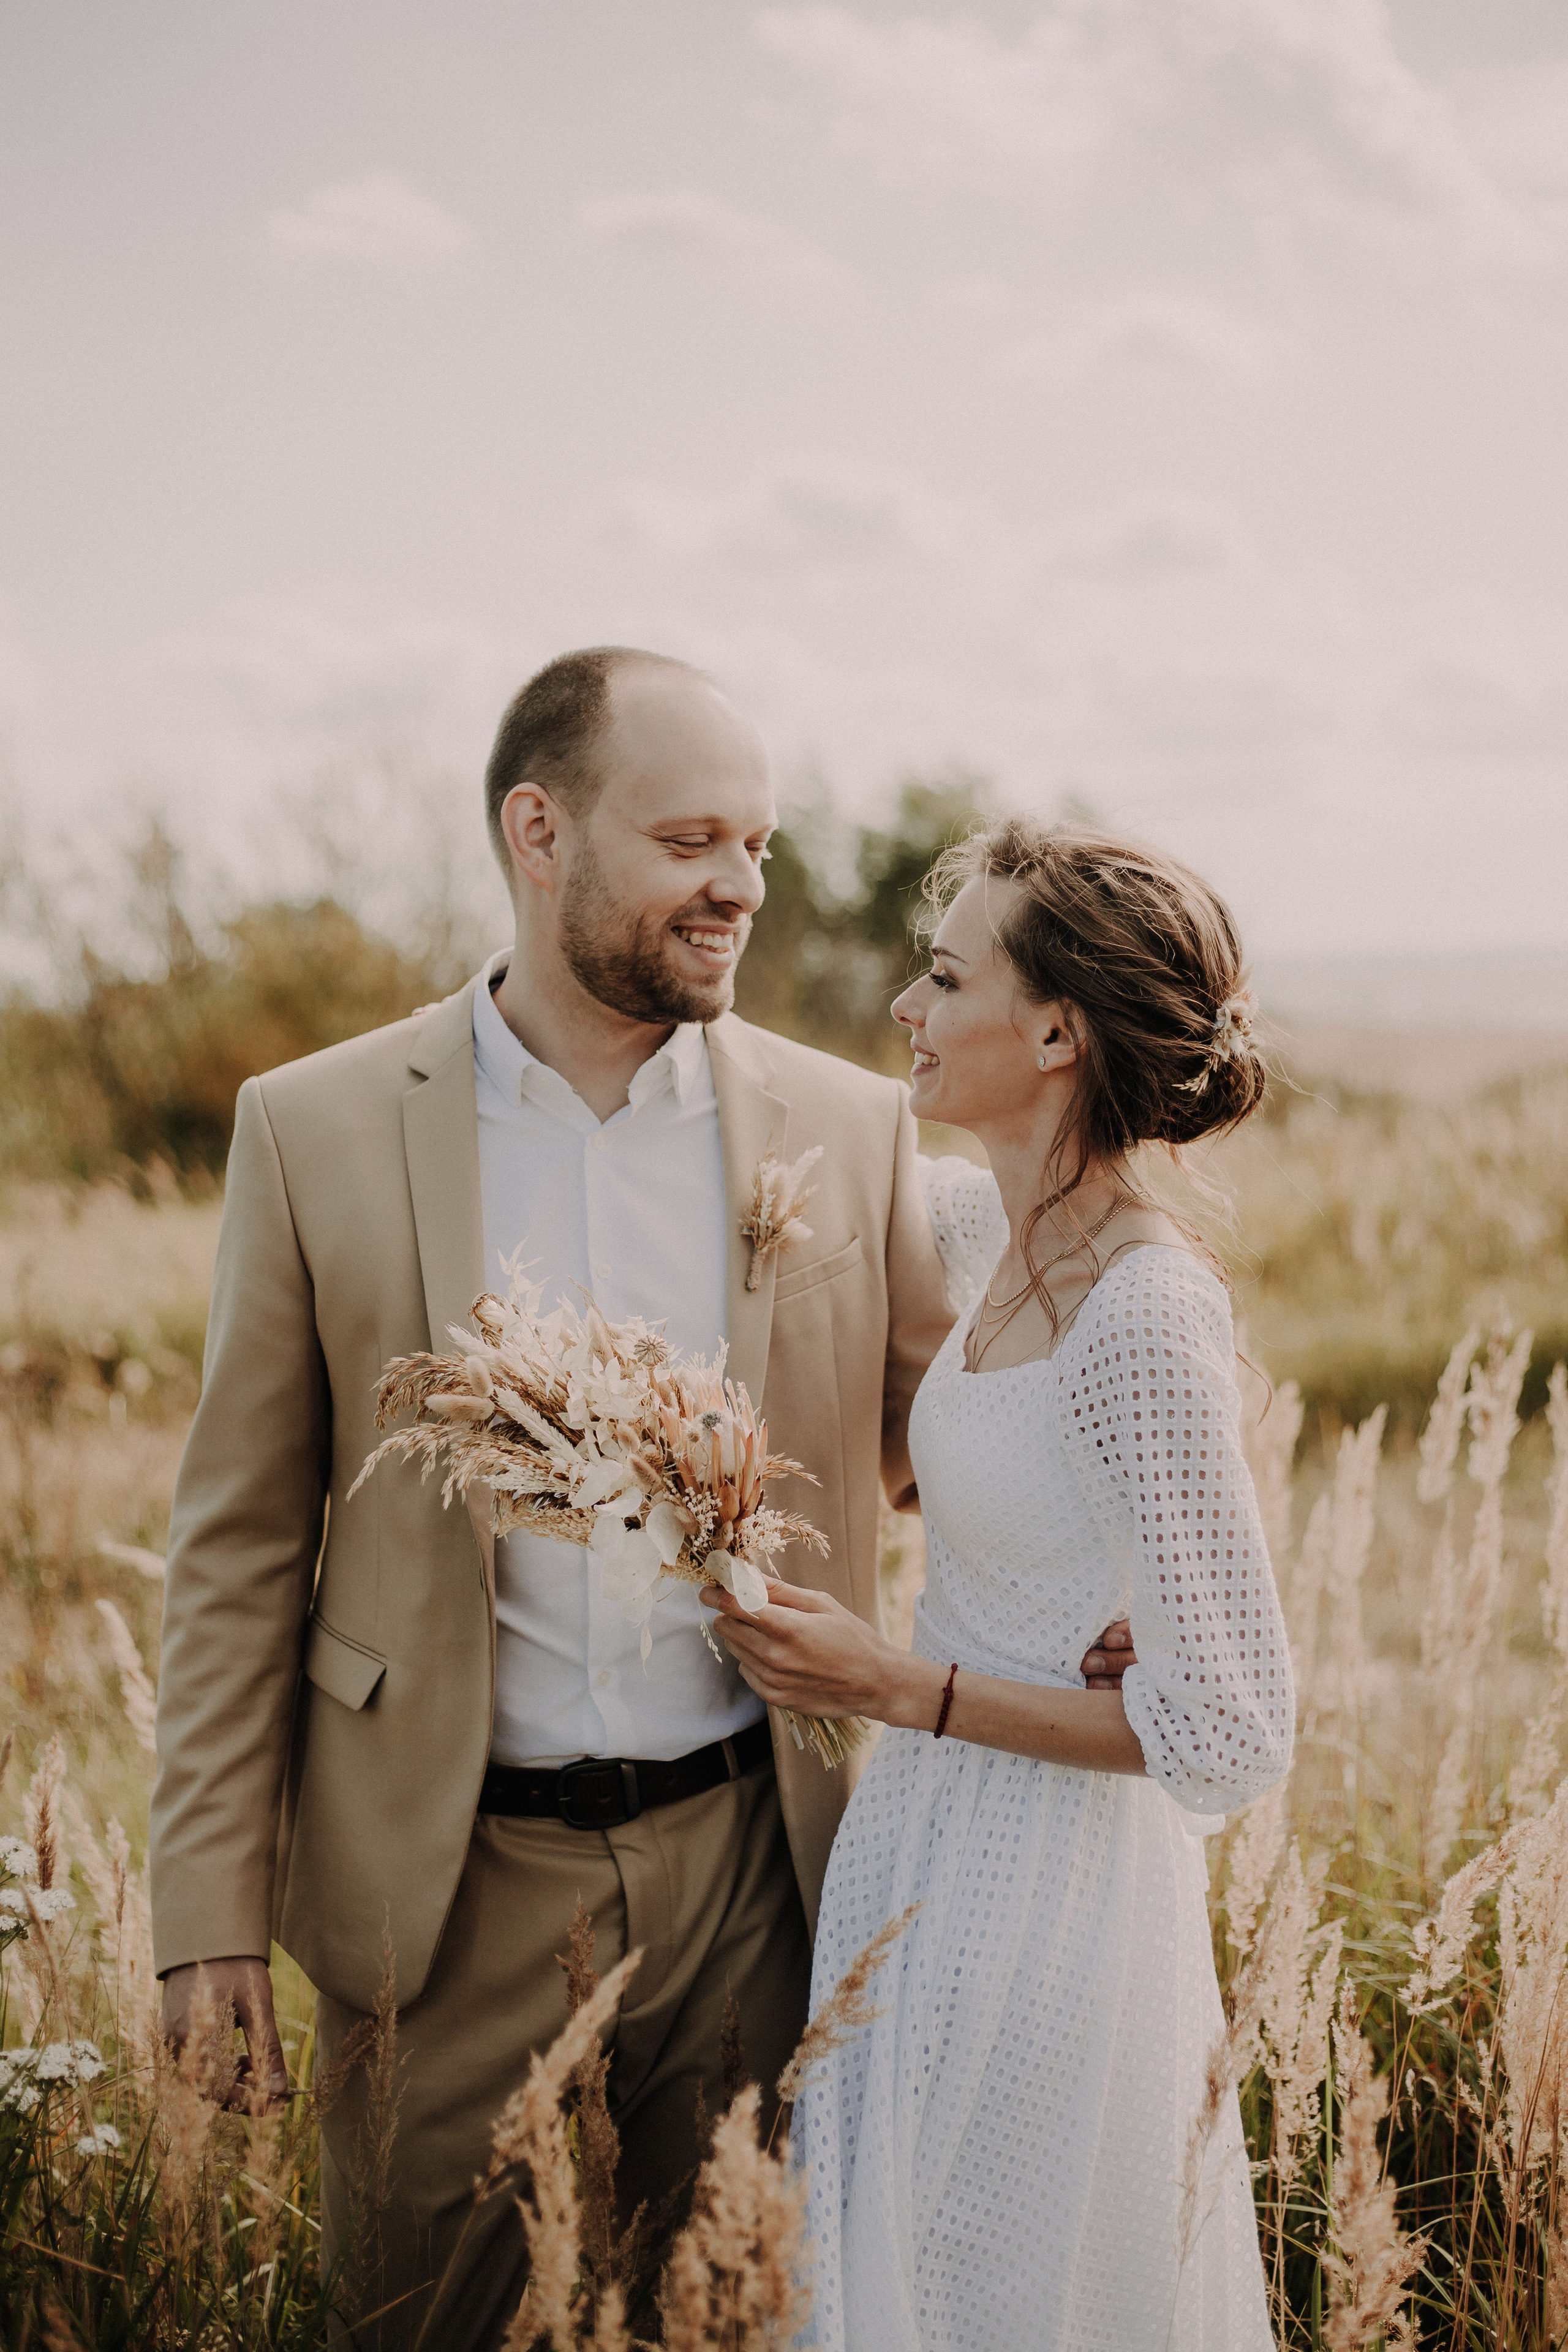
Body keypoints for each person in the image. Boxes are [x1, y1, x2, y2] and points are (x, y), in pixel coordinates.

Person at [149, 650, 1130, 2350]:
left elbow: (942, 1437)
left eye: (755, 844)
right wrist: (205, 1912)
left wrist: (1106, 1586)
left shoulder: (848, 1126)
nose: (740, 885)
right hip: (438, 1890)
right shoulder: (311, 1129)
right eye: (691, 843)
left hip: (762, 1870)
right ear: (539, 834)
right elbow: (237, 1549)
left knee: (746, 2323)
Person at [706, 820, 1295, 2352]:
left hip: (1057, 1894)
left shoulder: (1143, 1314)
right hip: (915, 1846)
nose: (906, 1006)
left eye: (946, 976)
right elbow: (793, 1152)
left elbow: (1231, 1731)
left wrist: (894, 1685)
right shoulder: (980, 1234)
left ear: (1053, 1033)